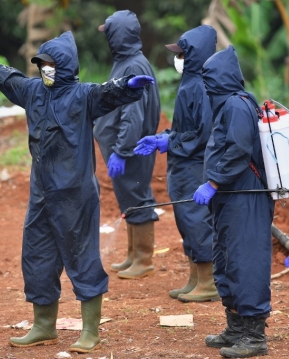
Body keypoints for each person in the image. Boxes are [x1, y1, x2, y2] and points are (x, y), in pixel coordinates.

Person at [0, 31, 155, 353]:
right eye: (40, 63)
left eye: (49, 64)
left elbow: (107, 93)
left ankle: (90, 331)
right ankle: (44, 326)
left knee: (82, 257)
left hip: (74, 193)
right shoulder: (33, 91)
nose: (43, 69)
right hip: (42, 193)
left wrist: (128, 86)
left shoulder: (83, 95)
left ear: (63, 66)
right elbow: (9, 78)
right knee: (36, 256)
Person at [192, 46, 275, 358]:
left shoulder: (236, 106)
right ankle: (236, 328)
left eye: (209, 78)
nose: (207, 85)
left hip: (246, 198)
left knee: (246, 262)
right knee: (227, 261)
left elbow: (239, 150)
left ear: (222, 78)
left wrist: (213, 182)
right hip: (231, 198)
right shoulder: (227, 104)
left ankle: (254, 338)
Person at [134, 25, 219, 302]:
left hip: (195, 165)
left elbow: (202, 134)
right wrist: (164, 136)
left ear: (196, 55)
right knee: (185, 221)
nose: (177, 59)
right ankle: (194, 277)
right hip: (183, 165)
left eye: (182, 53)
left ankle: (208, 282)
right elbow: (185, 127)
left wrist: (171, 142)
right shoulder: (190, 82)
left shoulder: (202, 86)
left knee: (196, 221)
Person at [95, 10, 161, 280]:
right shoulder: (126, 61)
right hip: (123, 147)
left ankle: (144, 260)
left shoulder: (134, 65)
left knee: (138, 198)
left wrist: (121, 151)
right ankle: (133, 255)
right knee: (129, 198)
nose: (107, 39)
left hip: (131, 149)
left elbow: (132, 115)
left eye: (109, 33)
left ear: (117, 36)